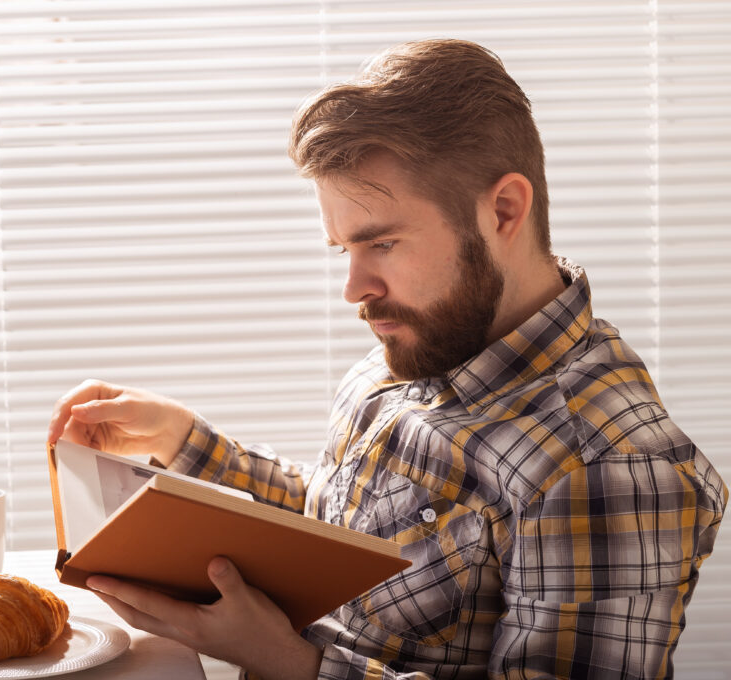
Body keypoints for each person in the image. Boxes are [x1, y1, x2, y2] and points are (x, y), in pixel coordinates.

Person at [45, 39, 727, 680]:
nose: (354, 290)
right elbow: (355, 525)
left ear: (505, 210)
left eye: (383, 244)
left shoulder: (608, 466)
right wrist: (189, 445)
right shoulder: (428, 337)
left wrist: (291, 662)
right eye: (344, 249)